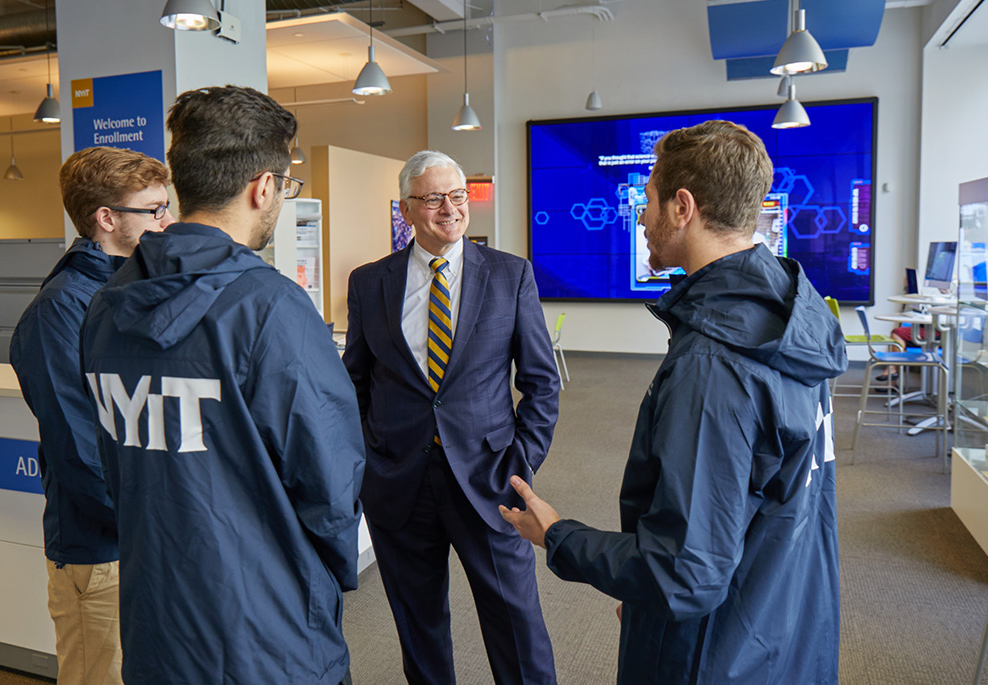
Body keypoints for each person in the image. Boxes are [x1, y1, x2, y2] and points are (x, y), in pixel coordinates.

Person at [500, 120, 847, 685]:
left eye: (648, 200)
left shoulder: (712, 365)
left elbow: (683, 574)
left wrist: (557, 534)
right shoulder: (793, 323)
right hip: (782, 629)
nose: (641, 216)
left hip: (712, 656)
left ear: (682, 207)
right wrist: (645, 598)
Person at [79, 86, 364, 685]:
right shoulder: (271, 306)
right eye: (285, 187)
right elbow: (330, 483)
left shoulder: (106, 305)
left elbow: (115, 464)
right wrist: (325, 580)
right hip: (266, 633)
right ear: (263, 186)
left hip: (158, 623)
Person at [342, 150, 561, 684]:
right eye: (433, 198)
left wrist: (520, 462)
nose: (450, 208)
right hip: (398, 480)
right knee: (419, 627)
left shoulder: (511, 274)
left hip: (488, 479)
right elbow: (356, 382)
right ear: (406, 209)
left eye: (458, 195)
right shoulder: (370, 281)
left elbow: (540, 383)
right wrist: (368, 461)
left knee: (516, 622)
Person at [9, 146, 174, 685]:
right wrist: (149, 525)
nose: (167, 220)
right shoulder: (59, 310)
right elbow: (80, 450)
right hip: (102, 548)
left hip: (147, 535)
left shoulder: (132, 289)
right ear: (106, 218)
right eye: (154, 210)